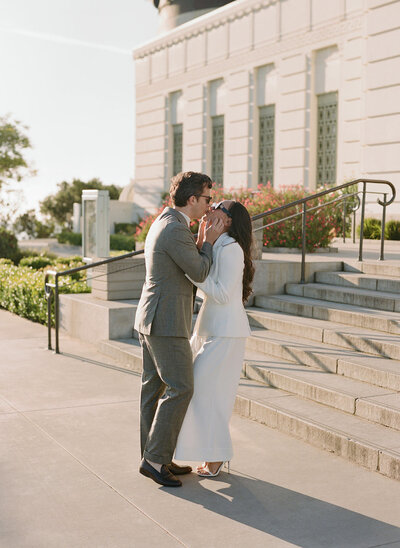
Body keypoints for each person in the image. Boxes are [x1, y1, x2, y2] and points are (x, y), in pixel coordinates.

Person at [134, 171, 225, 487]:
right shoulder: (174, 229)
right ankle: (155, 459)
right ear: (192, 199)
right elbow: (199, 269)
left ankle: (155, 455)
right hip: (166, 321)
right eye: (207, 198)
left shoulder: (167, 222)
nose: (209, 204)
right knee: (181, 386)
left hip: (153, 318)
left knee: (153, 389)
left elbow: (183, 260)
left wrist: (200, 239)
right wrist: (210, 242)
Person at [174, 200, 255, 477]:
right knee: (202, 395)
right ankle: (212, 455)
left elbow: (220, 293)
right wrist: (200, 241)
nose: (212, 206)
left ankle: (217, 457)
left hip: (226, 332)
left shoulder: (232, 249)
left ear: (229, 221)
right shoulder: (216, 244)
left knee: (211, 397)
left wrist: (191, 271)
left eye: (219, 206)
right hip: (209, 329)